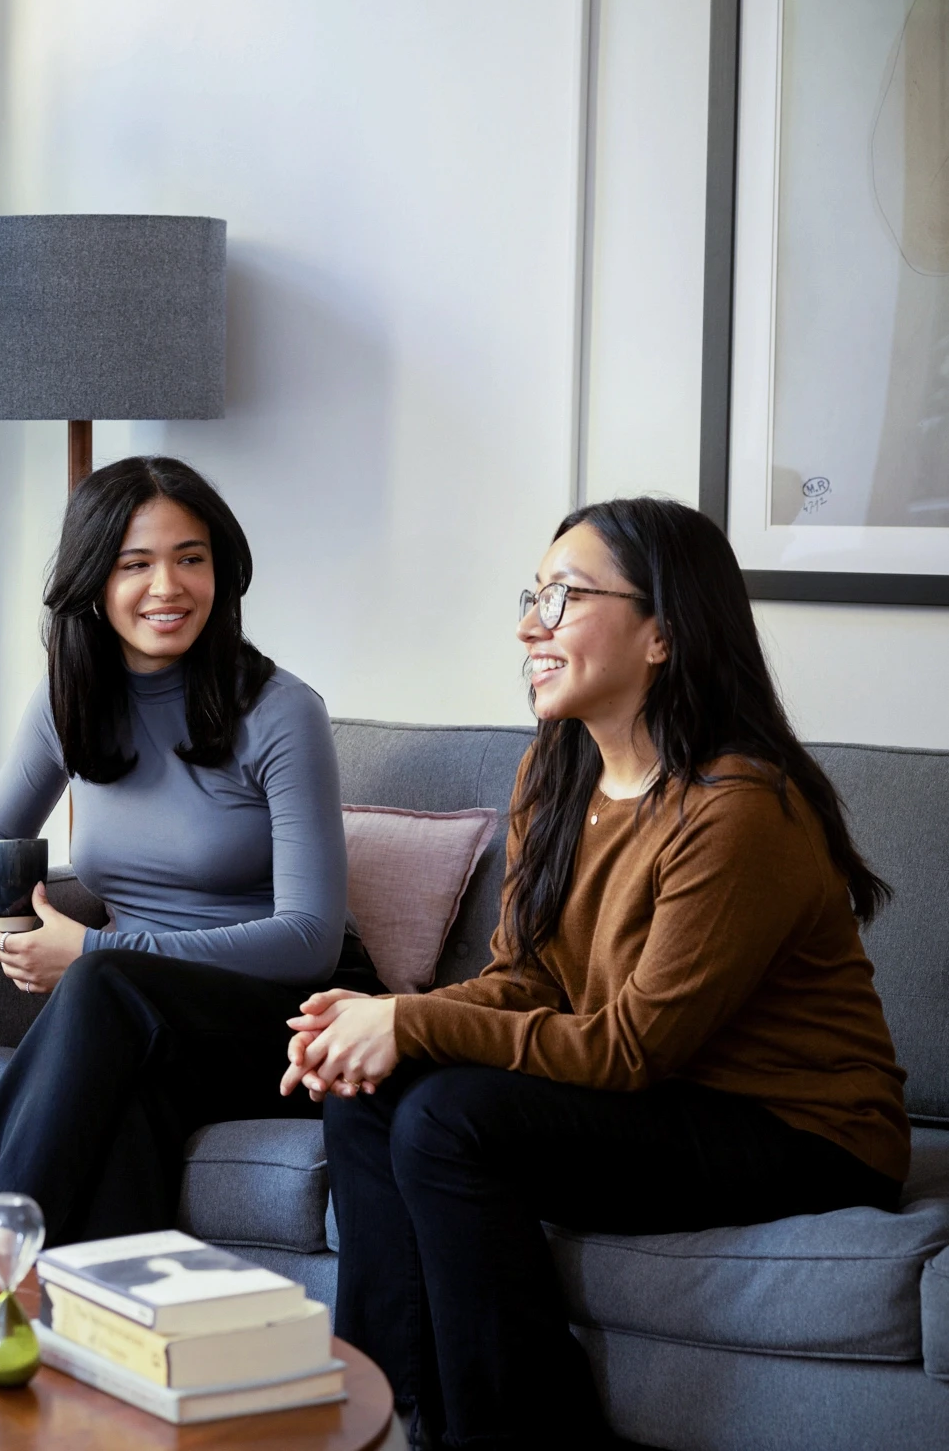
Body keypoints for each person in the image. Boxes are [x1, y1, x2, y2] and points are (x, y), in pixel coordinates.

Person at [284, 497, 907, 1450]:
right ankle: (382, 1419)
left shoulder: (736, 810)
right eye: (532, 595)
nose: (529, 623)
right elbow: (523, 981)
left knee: (451, 1118)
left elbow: (629, 1048)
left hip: (801, 1128)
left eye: (564, 597)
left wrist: (409, 1023)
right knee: (369, 1093)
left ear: (661, 632)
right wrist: (377, 1021)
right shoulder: (556, 767)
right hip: (668, 1100)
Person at [0, 457, 365, 1260]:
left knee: (100, 984)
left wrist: (95, 949)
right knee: (124, 1109)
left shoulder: (279, 712)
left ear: (219, 571)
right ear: (93, 581)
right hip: (138, 1024)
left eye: (189, 558)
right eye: (136, 563)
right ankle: (103, 1349)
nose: (167, 586)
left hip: (283, 1016)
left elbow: (310, 936)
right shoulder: (72, 700)